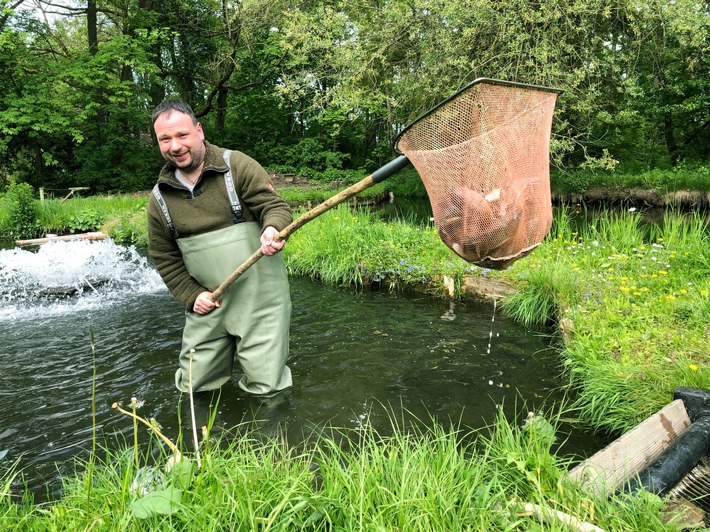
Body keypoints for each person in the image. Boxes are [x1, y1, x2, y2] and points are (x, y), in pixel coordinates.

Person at [146, 99, 293, 397]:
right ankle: (204, 441)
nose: (175, 146)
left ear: (199, 131)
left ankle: (270, 439)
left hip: (260, 301)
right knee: (193, 388)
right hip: (207, 303)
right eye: (165, 139)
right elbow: (164, 257)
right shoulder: (159, 199)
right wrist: (191, 295)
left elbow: (273, 206)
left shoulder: (236, 165)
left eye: (182, 135)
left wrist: (271, 229)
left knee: (267, 388)